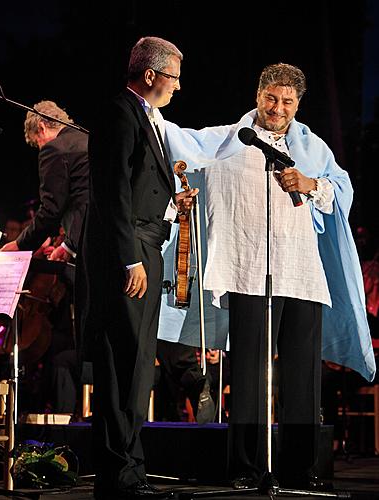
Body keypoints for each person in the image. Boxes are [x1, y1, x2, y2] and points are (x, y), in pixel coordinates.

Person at [163, 63, 376, 491]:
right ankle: (245, 467)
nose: (278, 108)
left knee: (302, 375)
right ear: (258, 96)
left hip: (300, 273)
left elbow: (342, 191)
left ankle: (302, 468)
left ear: (298, 104)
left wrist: (310, 182)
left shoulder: (312, 148)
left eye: (287, 101)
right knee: (247, 374)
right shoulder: (227, 140)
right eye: (271, 99)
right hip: (246, 272)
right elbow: (179, 148)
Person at [78, 36, 198, 499]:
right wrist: (131, 259)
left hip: (146, 244)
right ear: (150, 75)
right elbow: (112, 194)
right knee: (120, 363)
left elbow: (141, 190)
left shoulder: (142, 117)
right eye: (173, 78)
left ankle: (132, 468)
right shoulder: (119, 113)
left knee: (136, 368)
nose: (177, 88)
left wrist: (172, 205)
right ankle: (117, 473)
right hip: (125, 255)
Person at [0, 101, 89, 415]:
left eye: (37, 143)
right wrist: (68, 246)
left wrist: (19, 245)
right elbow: (85, 201)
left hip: (86, 252)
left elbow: (51, 211)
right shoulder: (86, 139)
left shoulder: (55, 149)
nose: (39, 148)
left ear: (41, 129)